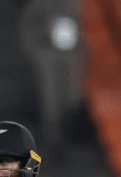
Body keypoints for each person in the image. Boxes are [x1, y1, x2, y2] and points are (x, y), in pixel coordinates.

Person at [19, 0, 83, 147]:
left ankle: (72, 138)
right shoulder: (38, 5)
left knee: (73, 98)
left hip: (71, 58)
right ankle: (55, 141)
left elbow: (79, 28)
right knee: (52, 100)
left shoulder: (73, 4)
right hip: (48, 58)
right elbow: (28, 30)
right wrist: (38, 50)